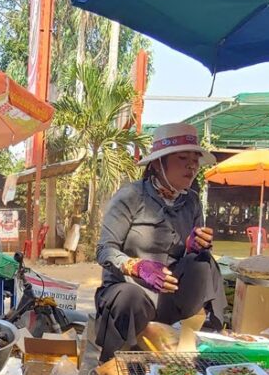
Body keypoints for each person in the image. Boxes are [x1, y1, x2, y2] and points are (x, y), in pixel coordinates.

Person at [94, 123, 228, 362]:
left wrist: (192, 247)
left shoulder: (192, 202)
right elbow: (104, 250)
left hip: (169, 297)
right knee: (129, 296)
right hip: (129, 297)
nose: (192, 165)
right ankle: (116, 365)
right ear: (158, 164)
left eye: (195, 159)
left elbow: (193, 260)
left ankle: (210, 339)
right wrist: (137, 267)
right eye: (182, 158)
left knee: (204, 262)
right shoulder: (131, 197)